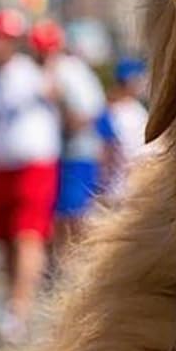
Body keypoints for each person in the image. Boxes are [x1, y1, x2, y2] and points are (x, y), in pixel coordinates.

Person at [0, 11, 60, 345]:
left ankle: (18, 311)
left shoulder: (29, 73)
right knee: (3, 242)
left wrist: (51, 55)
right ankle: (12, 304)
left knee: (26, 236)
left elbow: (53, 90)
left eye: (7, 38)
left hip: (33, 166)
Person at [33, 22, 106, 234]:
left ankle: (74, 264)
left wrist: (62, 107)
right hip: (57, 154)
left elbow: (89, 113)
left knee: (74, 215)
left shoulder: (70, 70)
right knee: (58, 216)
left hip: (78, 152)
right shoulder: (47, 70)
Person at [101, 57, 150, 199]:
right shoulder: (111, 111)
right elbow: (108, 149)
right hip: (121, 185)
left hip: (139, 180)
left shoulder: (135, 107)